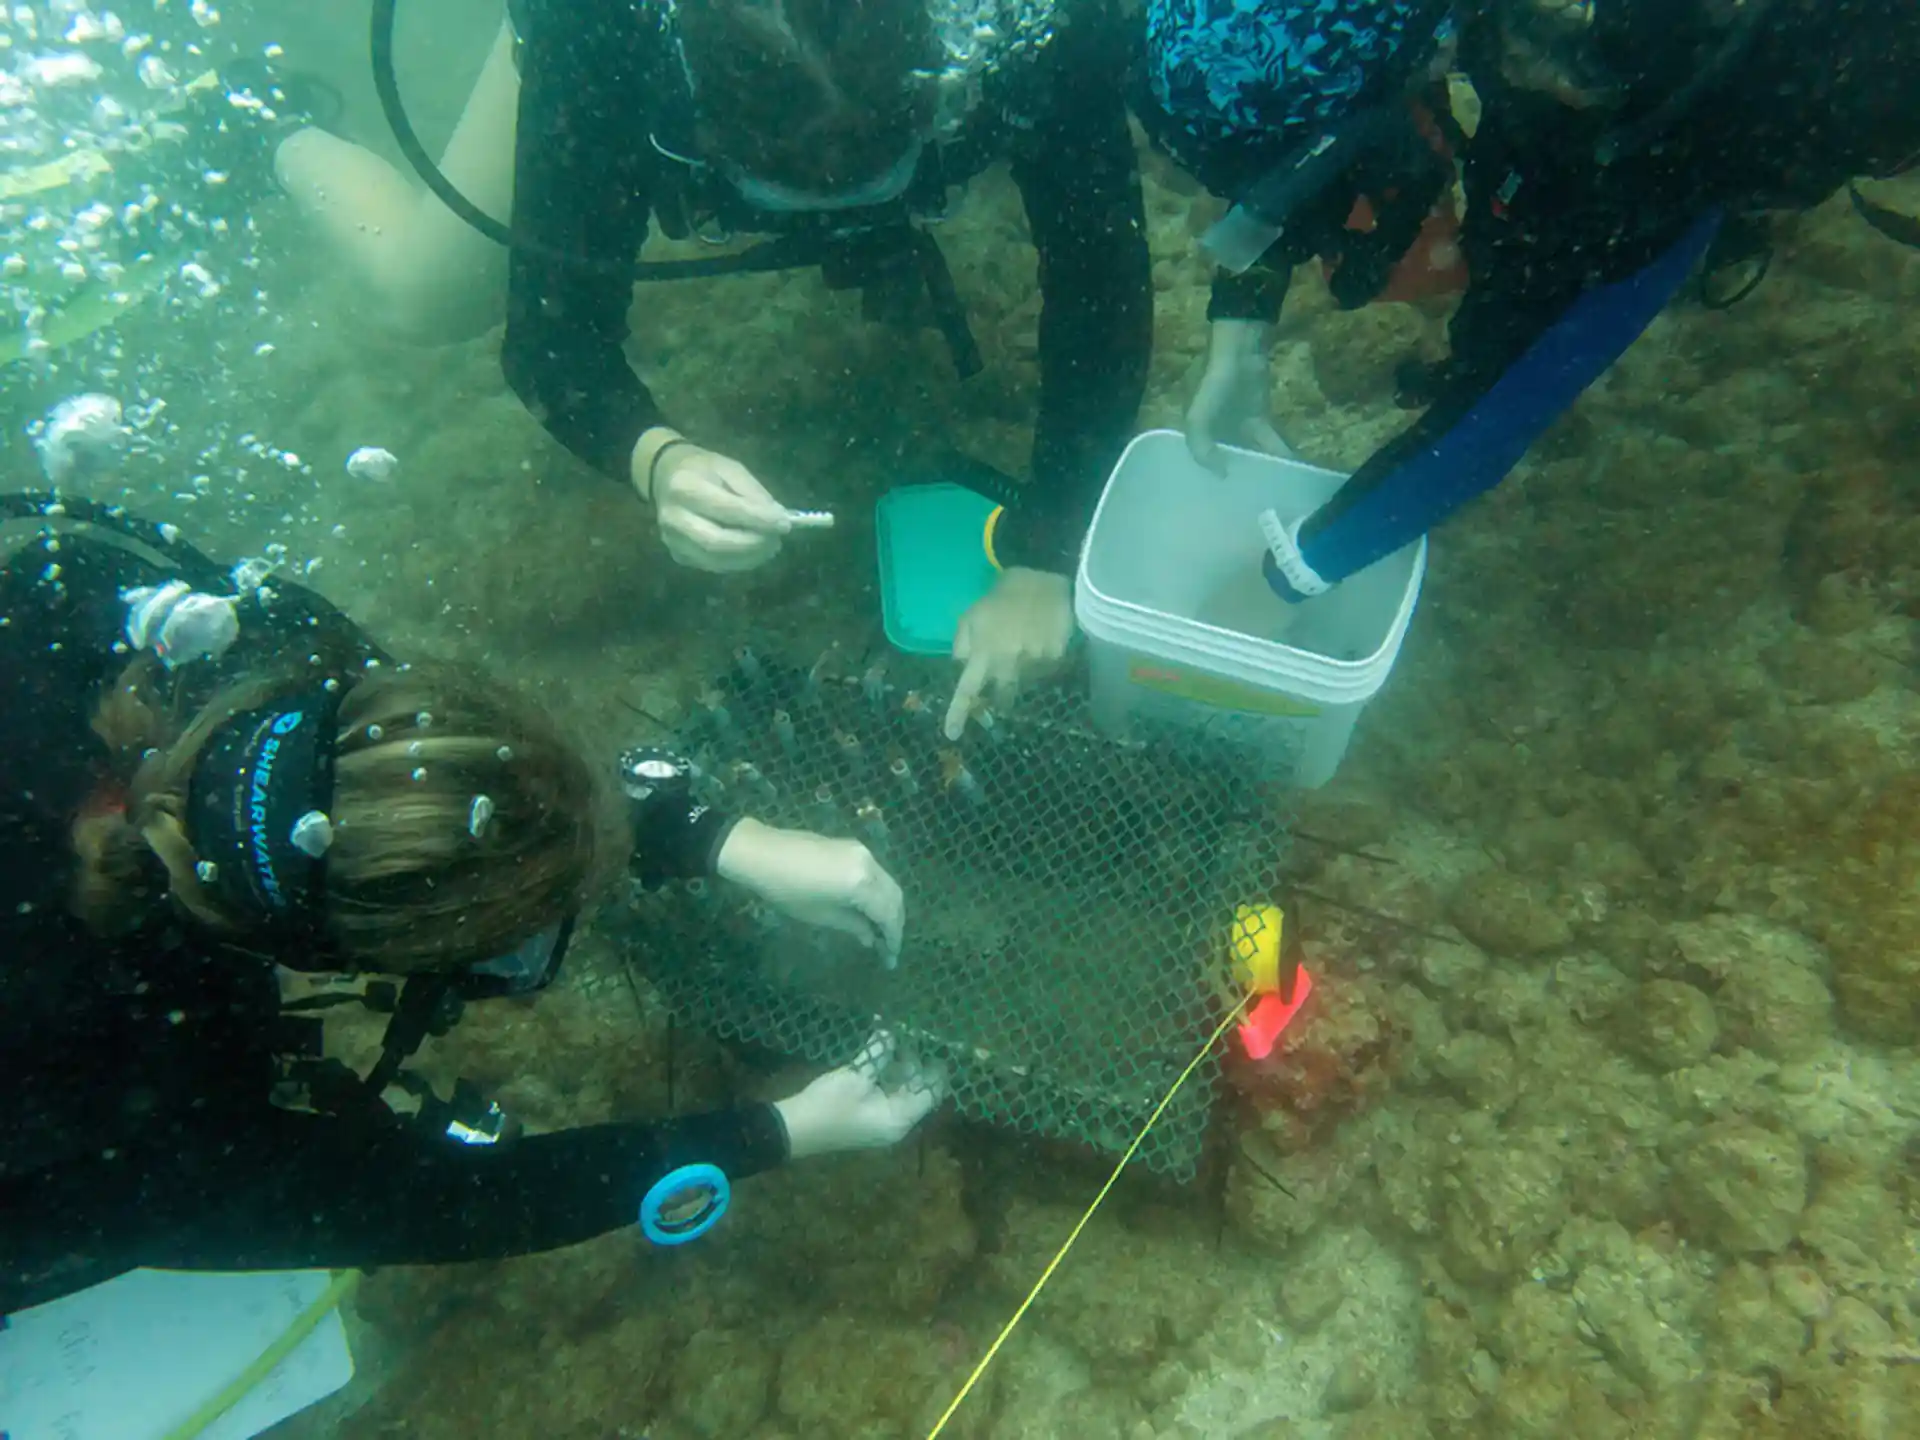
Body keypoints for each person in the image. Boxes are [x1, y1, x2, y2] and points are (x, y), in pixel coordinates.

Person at [0, 492, 940, 1316]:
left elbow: (441, 793)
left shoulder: (192, 626)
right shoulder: (127, 1100)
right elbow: (445, 1203)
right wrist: (779, 1130)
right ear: (342, 949)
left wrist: (714, 837)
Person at [498, 0, 1152, 741]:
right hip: (629, 75)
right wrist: (658, 459)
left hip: (962, 93)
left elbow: (1104, 292)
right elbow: (550, 341)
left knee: (1053, 123)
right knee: (422, 295)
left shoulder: (1039, 26)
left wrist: (1051, 550)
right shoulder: (600, 31)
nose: (833, 189)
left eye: (867, 162)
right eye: (798, 174)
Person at [1139, 0, 1920, 604]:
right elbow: (1318, 130)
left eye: (1336, 220)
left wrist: (1292, 576)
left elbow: (1498, 420)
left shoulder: (1674, 119)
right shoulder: (1417, 29)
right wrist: (1238, 338)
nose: (1333, 253)